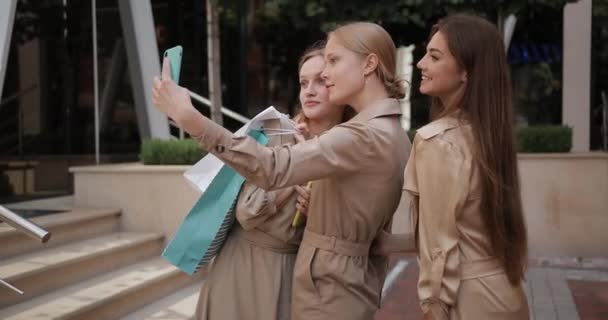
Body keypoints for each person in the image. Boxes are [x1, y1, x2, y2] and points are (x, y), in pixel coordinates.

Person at [152, 21, 411, 320]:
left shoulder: (359, 137)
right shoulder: (280, 131)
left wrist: (189, 117)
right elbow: (252, 207)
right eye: (304, 82)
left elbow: (277, 170)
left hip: (316, 285)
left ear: (369, 65)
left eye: (332, 63)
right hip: (257, 270)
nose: (319, 83)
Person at [194, 41, 349, 320]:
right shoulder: (279, 131)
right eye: (303, 83)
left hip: (294, 272)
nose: (309, 91)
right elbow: (248, 212)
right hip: (242, 265)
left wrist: (319, 210)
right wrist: (298, 168)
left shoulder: (348, 147)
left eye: (320, 81)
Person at [405, 13, 529, 319]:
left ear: (466, 72)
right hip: (506, 294)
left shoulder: (437, 141)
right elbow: (462, 230)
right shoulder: (487, 135)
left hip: (468, 299)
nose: (421, 64)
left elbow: (440, 246)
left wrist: (433, 306)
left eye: (434, 57)